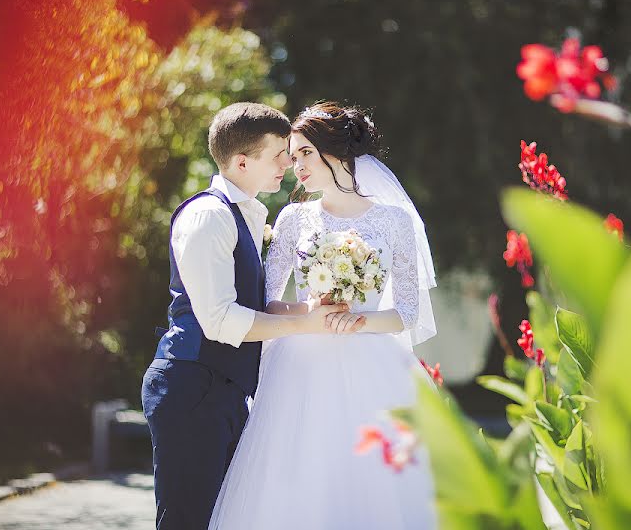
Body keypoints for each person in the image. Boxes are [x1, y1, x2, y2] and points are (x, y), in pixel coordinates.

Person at [209, 102, 439, 529]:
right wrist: (310, 313)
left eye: (304, 154)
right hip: (298, 369)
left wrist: (359, 320)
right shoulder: (294, 219)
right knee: (299, 482)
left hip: (374, 365)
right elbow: (267, 302)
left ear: (336, 152)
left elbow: (407, 311)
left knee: (376, 487)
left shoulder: (394, 222)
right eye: (291, 157)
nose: (296, 166)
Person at [141, 102, 353, 530]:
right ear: (241, 161)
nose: (289, 164)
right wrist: (303, 324)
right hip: (192, 387)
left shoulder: (245, 215)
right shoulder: (208, 217)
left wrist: (314, 308)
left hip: (224, 389)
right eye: (278, 155)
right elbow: (221, 321)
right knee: (187, 520)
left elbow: (253, 306)